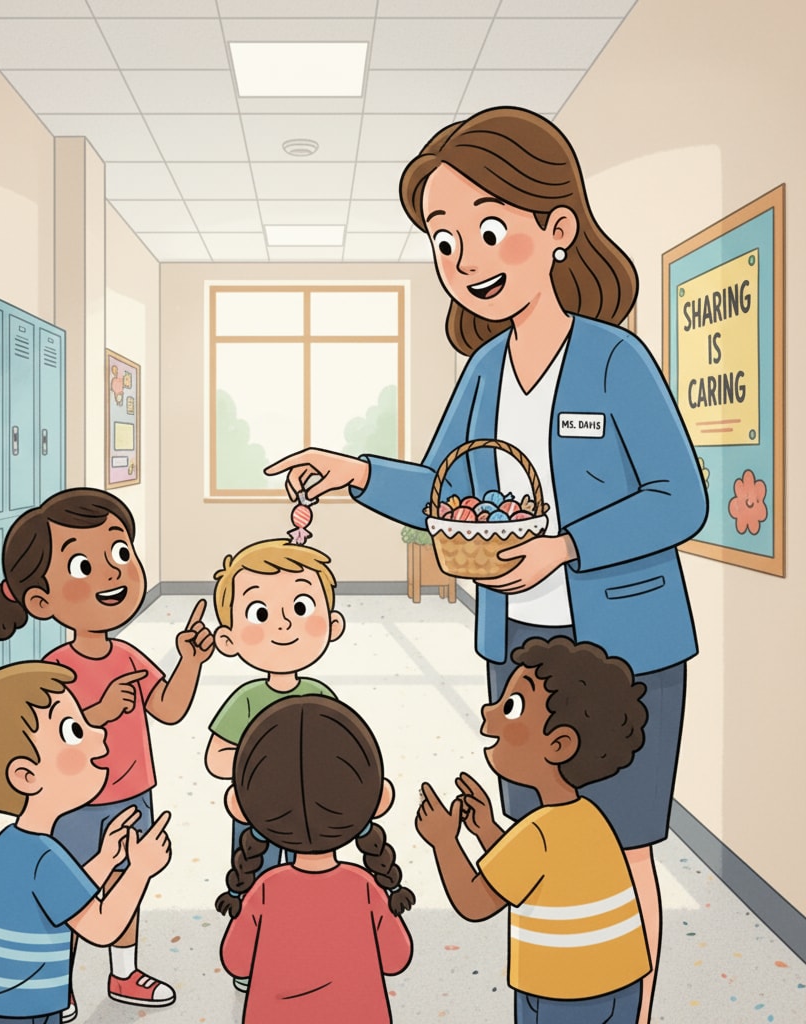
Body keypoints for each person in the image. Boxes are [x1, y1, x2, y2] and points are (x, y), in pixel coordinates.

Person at [265, 106, 707, 1024]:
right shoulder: (484, 371)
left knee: (620, 847)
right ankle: (550, 998)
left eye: (488, 230)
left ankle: (633, 1012)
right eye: (444, 241)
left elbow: (680, 500)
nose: (465, 259)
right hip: (521, 652)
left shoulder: (614, 361)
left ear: (558, 229)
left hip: (625, 649)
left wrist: (566, 546)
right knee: (535, 839)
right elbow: (441, 488)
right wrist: (355, 473)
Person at [0, 487, 214, 1017]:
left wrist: (190, 662)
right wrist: (97, 713)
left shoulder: (128, 655)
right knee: (69, 891)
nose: (112, 573)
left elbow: (168, 709)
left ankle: (124, 974)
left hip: (133, 792)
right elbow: (46, 736)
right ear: (42, 603)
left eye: (120, 552)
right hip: (74, 802)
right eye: (83, 565)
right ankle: (56, 983)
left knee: (127, 882)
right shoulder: (55, 669)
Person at [416, 636, 651, 1024]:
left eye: (512, 707)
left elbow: (475, 903)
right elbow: (539, 879)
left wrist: (444, 841)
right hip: (623, 983)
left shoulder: (537, 832)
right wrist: (488, 831)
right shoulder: (590, 818)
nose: (489, 712)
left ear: (559, 745)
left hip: (562, 991)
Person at [0, 661, 172, 1024]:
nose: (98, 734)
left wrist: (106, 859)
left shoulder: (14, 843)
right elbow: (101, 928)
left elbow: (61, 895)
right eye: (73, 731)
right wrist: (139, 869)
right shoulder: (43, 857)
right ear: (26, 775)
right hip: (14, 1009)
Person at [217, 695, 414, 1023]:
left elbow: (236, 961)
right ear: (381, 799)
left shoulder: (265, 889)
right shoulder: (365, 887)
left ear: (238, 805)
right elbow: (396, 959)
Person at [205, 538, 345, 927]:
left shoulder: (320, 696)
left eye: (301, 608)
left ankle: (303, 937)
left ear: (333, 624)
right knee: (255, 885)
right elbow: (216, 759)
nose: (283, 625)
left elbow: (342, 757)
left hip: (313, 814)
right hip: (256, 811)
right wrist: (264, 767)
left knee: (311, 884)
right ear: (228, 639)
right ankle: (252, 942)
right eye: (260, 613)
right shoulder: (246, 700)